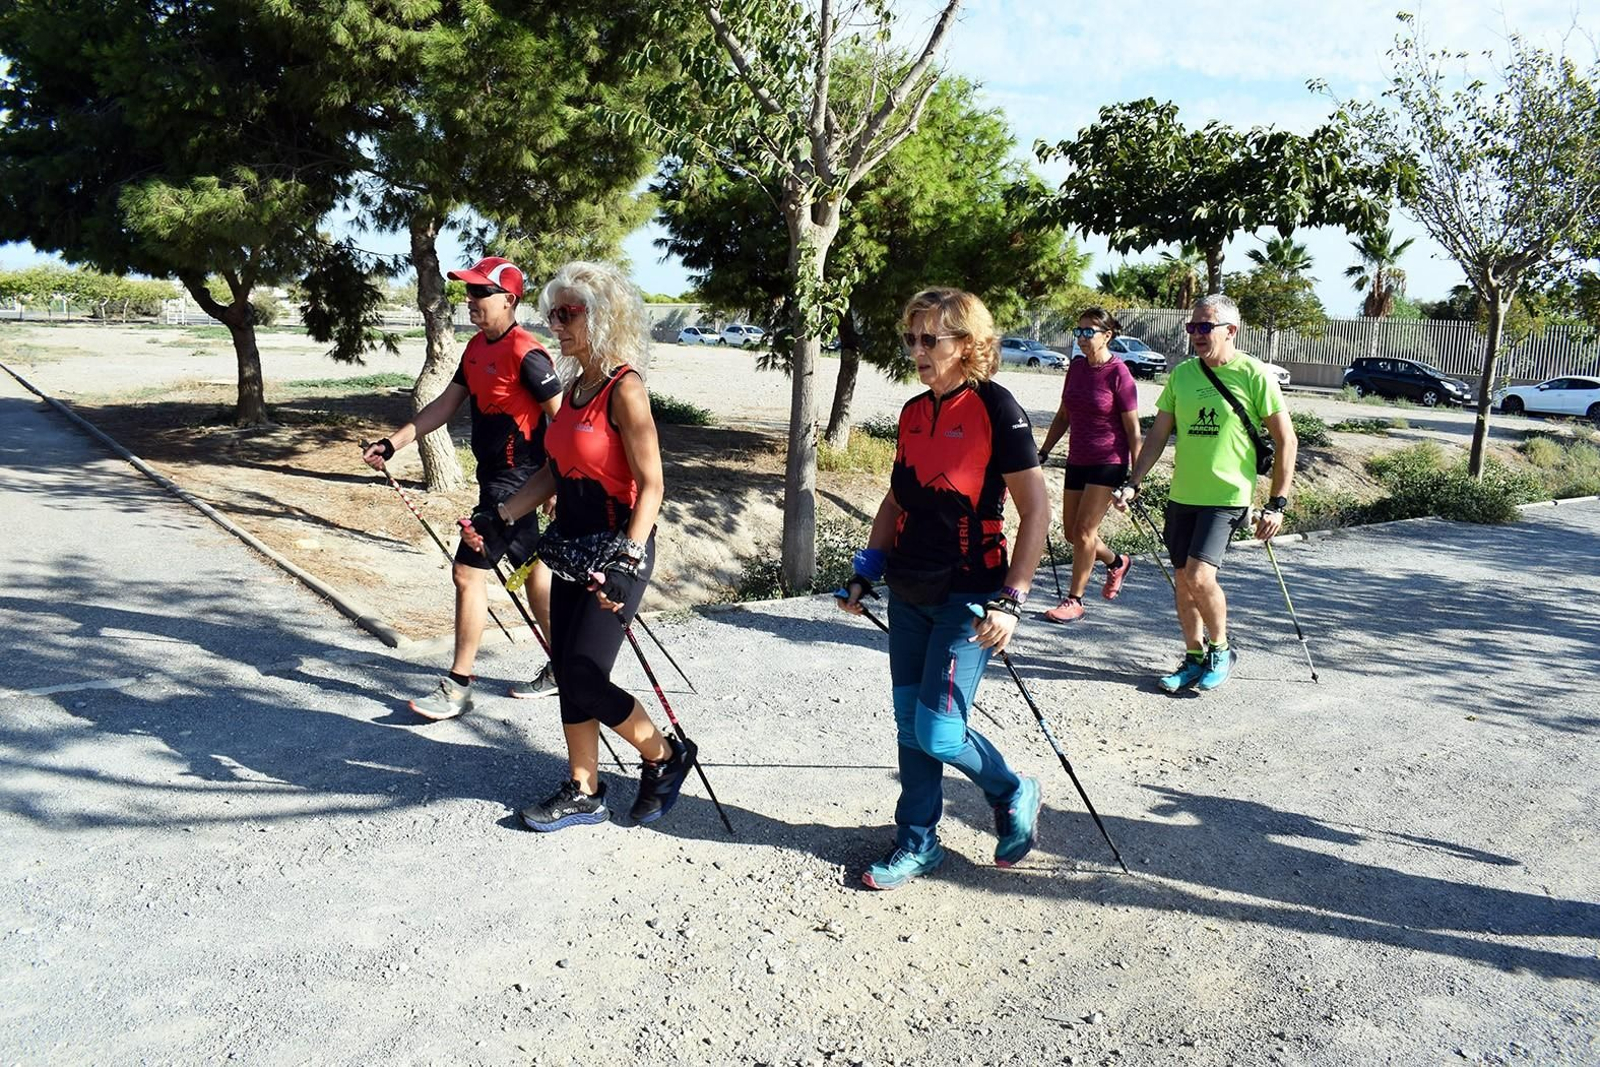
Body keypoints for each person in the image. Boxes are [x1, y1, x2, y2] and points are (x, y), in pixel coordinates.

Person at [462, 260, 695, 832]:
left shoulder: (626, 388)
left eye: (569, 313)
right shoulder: (573, 388)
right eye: (553, 313)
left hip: (616, 550)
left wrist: (627, 559)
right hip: (568, 546)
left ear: (605, 315)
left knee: (587, 676)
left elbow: (654, 486)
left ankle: (664, 755)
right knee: (567, 672)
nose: (557, 324)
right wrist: (500, 516)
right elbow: (554, 471)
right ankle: (584, 788)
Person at [838, 287, 1050, 890]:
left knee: (939, 731)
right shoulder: (911, 413)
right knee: (910, 725)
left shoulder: (996, 407)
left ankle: (1012, 790)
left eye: (930, 338)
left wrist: (1014, 599)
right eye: (912, 338)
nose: (917, 350)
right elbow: (895, 500)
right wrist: (865, 569)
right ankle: (918, 841)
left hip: (972, 597)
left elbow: (1036, 511)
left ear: (969, 344)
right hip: (909, 588)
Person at [362, 256, 562, 721]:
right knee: (535, 578)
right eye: (468, 292)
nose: (470, 300)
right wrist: (393, 444)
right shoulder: (475, 349)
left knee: (467, 573)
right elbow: (444, 407)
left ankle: (457, 685)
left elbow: (563, 420)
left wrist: (558, 482)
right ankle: (567, 668)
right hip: (494, 480)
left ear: (509, 299)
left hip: (516, 487)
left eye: (480, 293)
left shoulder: (527, 353)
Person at [1112, 293, 1298, 693]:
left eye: (1204, 326)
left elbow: (1286, 440)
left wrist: (1276, 503)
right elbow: (1159, 435)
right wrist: (1132, 482)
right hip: (1183, 495)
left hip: (1227, 496)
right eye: (1191, 326)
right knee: (1182, 580)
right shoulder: (1183, 375)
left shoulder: (1253, 374)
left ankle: (1221, 649)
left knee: (1199, 575)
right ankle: (1193, 657)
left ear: (1230, 331)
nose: (1195, 333)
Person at [1036, 307, 1142, 622]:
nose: (1081, 338)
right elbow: (1064, 415)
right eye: (1078, 331)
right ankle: (1116, 562)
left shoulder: (1119, 373)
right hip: (1077, 459)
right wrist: (1043, 451)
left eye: (1088, 332)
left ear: (1107, 335)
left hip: (1108, 461)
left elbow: (1133, 430)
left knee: (1085, 530)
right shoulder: (1077, 368)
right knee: (1072, 533)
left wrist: (1136, 479)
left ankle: (1074, 600)